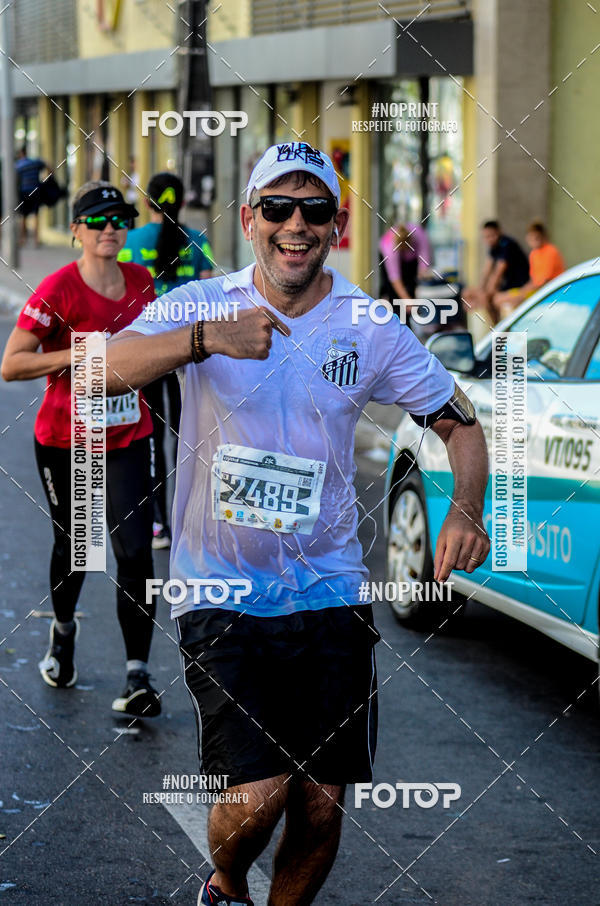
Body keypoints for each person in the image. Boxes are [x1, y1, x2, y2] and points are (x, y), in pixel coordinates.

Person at [105, 141, 490, 905]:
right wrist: (205, 340)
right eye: (276, 207)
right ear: (249, 219)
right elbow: (99, 369)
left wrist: (467, 508)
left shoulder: (369, 324)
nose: (295, 224)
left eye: (314, 209)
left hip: (331, 589)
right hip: (223, 587)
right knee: (262, 790)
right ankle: (225, 883)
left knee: (322, 800)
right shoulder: (203, 303)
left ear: (337, 224)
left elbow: (460, 421)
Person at [1, 181, 161, 717]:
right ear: (76, 231)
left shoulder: (142, 284)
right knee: (81, 551)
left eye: (118, 219)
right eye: (97, 221)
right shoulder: (58, 290)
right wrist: (76, 354)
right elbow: (12, 364)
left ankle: (137, 675)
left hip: (129, 434)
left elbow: (163, 348)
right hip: (68, 439)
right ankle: (63, 631)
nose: (110, 228)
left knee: (136, 552)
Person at [118, 172, 214, 548]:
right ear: (183, 204)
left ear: (146, 204)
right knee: (193, 437)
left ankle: (158, 523)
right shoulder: (198, 242)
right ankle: (195, 520)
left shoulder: (130, 244)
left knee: (154, 438)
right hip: (195, 353)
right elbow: (211, 302)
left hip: (149, 352)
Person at [492, 220, 565, 319]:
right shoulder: (534, 254)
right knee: (498, 298)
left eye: (537, 238)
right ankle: (501, 332)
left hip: (549, 290)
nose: (534, 241)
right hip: (534, 289)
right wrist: (523, 290)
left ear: (543, 237)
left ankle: (510, 333)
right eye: (531, 238)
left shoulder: (551, 251)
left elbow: (544, 282)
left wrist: (522, 293)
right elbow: (533, 280)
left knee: (511, 302)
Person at [463, 220, 530, 325]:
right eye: (486, 237)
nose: (489, 239)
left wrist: (485, 293)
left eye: (491, 236)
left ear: (499, 232)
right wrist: (480, 289)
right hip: (506, 285)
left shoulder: (507, 244)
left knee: (487, 298)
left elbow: (498, 272)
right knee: (467, 293)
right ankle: (495, 327)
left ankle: (497, 328)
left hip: (518, 286)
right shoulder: (493, 247)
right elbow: (487, 270)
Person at [379, 220, 432, 303]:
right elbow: (395, 277)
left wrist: (419, 289)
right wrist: (407, 300)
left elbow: (423, 266)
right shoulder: (389, 246)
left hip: (412, 260)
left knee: (412, 285)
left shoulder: (419, 234)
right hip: (389, 256)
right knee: (394, 294)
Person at [15, 147, 47, 246]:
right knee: (36, 214)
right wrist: (48, 178)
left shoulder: (18, 165)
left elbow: (15, 179)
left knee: (24, 216)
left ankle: (22, 240)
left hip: (24, 192)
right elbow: (46, 164)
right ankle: (36, 240)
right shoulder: (35, 162)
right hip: (35, 191)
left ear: (21, 154)